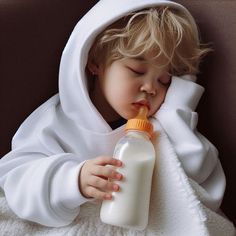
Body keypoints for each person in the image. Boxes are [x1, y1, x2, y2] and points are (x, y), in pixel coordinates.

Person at [0, 0, 234, 233]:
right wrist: (74, 180)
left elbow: (198, 183)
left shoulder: (163, 124)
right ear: (95, 62)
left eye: (165, 80)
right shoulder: (56, 122)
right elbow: (16, 179)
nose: (151, 88)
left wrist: (177, 110)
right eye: (137, 71)